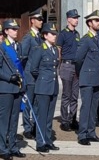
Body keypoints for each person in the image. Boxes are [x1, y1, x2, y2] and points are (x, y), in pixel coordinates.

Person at [75, 11, 99, 145]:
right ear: (89, 23)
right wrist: (82, 73)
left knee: (93, 107)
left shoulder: (97, 38)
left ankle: (91, 132)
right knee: (86, 107)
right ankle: (82, 135)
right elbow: (78, 59)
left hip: (96, 77)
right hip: (87, 77)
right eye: (96, 21)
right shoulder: (85, 40)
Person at [30, 22, 60, 153]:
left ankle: (48, 140)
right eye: (52, 34)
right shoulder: (39, 49)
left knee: (49, 116)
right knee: (42, 116)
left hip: (52, 86)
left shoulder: (54, 49)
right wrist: (42, 79)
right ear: (45, 35)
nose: (54, 36)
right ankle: (40, 141)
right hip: (43, 86)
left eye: (55, 34)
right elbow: (33, 69)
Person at [0, 19, 25, 159]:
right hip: (5, 88)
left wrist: (23, 85)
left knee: (15, 119)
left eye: (16, 29)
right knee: (4, 120)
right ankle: (2, 148)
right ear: (6, 31)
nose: (16, 31)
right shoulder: (2, 47)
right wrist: (9, 78)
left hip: (17, 88)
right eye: (13, 29)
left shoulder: (18, 46)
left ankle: (13, 146)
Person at [21, 7, 44, 139]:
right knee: (28, 102)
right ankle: (27, 128)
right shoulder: (28, 38)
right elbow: (22, 56)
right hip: (29, 75)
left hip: (38, 76)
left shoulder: (40, 38)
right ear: (32, 21)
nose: (41, 21)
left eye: (41, 19)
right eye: (39, 19)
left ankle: (35, 126)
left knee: (36, 102)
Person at [57, 9, 80, 131]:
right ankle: (65, 120)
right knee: (66, 94)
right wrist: (59, 65)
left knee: (75, 95)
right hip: (66, 65)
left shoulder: (77, 34)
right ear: (68, 19)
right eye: (74, 18)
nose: (76, 20)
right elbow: (59, 51)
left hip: (76, 66)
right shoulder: (63, 34)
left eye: (77, 18)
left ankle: (73, 118)